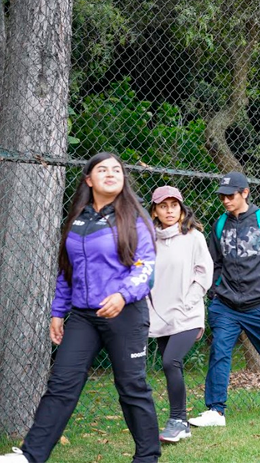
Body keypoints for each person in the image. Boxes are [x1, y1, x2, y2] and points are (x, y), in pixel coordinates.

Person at [0, 153, 160, 463]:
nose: (111, 174)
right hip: (84, 317)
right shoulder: (78, 219)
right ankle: (30, 456)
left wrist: (123, 296)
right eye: (103, 170)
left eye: (117, 170)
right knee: (61, 384)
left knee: (131, 387)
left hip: (125, 313)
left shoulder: (135, 218)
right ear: (88, 179)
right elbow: (67, 271)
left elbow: (146, 268)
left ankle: (147, 457)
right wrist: (58, 312)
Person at [188, 172, 260, 427]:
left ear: (245, 193)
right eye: (222, 196)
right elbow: (214, 263)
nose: (225, 201)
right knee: (219, 352)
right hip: (226, 305)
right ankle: (215, 411)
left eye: (230, 196)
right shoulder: (219, 224)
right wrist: (216, 293)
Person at [148, 186, 213, 442]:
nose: (170, 210)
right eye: (163, 206)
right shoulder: (148, 239)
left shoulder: (193, 237)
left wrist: (190, 302)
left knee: (169, 362)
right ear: (155, 210)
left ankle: (176, 420)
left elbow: (204, 273)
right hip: (160, 315)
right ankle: (182, 423)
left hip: (188, 313)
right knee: (172, 366)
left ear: (181, 208)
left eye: (174, 205)